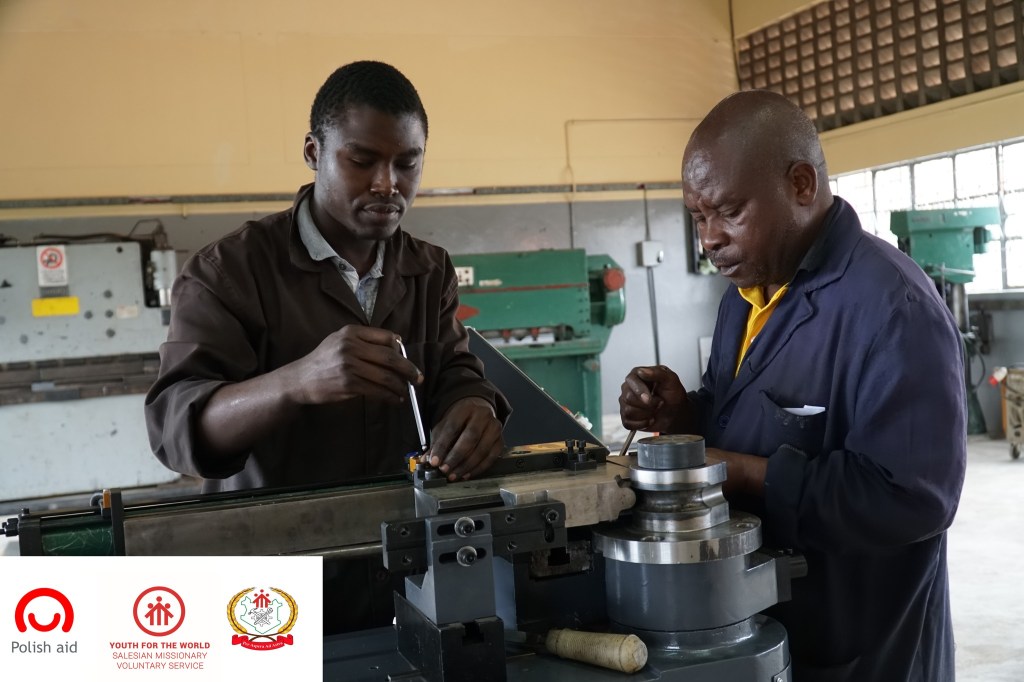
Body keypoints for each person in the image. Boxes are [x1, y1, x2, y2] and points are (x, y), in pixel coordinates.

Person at [145, 61, 509, 631]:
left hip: (408, 565)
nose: (387, 183)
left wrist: (474, 404)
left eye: (407, 163)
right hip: (272, 580)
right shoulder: (229, 271)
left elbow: (452, 369)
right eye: (362, 160)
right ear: (314, 152)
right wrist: (297, 381)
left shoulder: (428, 268)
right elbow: (176, 428)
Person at [619, 90, 966, 681]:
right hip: (774, 623)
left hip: (866, 643)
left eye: (729, 211)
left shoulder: (891, 307)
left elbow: (913, 500)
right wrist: (686, 420)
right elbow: (742, 415)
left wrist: (723, 467)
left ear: (802, 185)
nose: (709, 238)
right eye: (698, 217)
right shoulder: (748, 295)